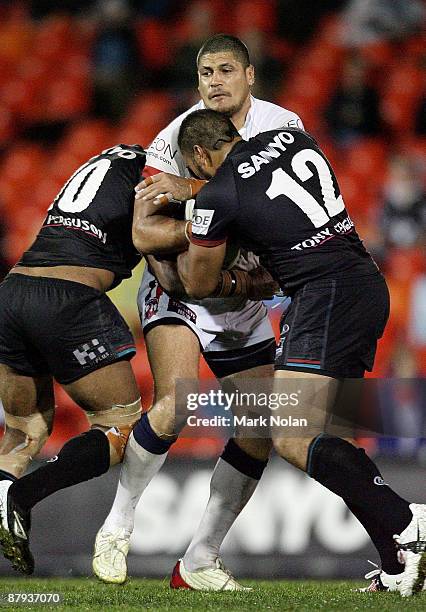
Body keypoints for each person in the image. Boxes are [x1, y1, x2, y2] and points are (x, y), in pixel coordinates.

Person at [174, 108, 426, 597]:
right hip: (365, 283)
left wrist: (240, 278)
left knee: (289, 434)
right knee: (329, 434)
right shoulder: (292, 138)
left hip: (323, 297)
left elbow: (198, 282)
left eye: (193, 167)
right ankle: (400, 560)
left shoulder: (218, 192)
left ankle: (407, 520)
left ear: (200, 154)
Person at [92, 33, 304, 590]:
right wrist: (184, 273)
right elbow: (145, 229)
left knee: (260, 425)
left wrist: (198, 193)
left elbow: (289, 217)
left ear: (251, 75)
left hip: (239, 295)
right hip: (178, 287)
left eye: (226, 69)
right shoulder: (172, 137)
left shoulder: (286, 129)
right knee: (175, 403)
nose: (215, 80)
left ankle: (200, 559)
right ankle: (118, 525)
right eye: (206, 71)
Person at [0, 144, 147, 575]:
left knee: (25, 430)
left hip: (12, 291)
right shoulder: (158, 176)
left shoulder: (102, 164)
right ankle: (22, 497)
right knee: (121, 427)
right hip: (70, 297)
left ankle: (2, 488)